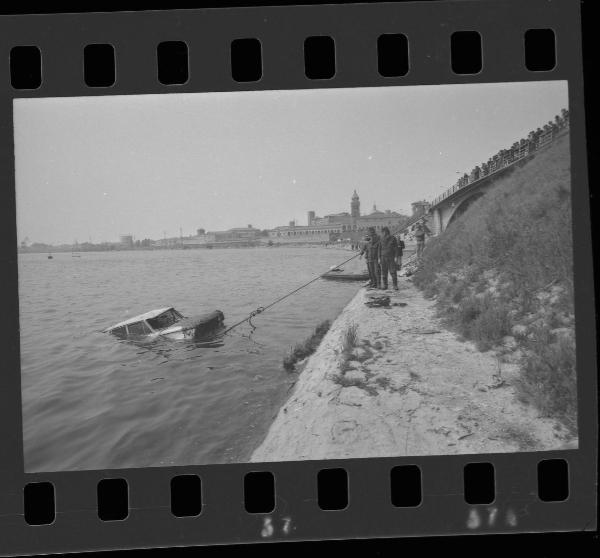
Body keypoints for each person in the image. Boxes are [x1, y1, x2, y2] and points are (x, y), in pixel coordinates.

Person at [378, 226, 399, 290]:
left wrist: (396, 257)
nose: (382, 233)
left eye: (383, 232)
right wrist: (379, 258)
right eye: (382, 232)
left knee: (393, 272)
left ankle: (395, 285)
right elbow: (379, 249)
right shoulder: (381, 239)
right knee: (384, 272)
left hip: (391, 257)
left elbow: (396, 248)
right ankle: (385, 285)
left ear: (386, 232)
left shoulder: (393, 238)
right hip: (383, 257)